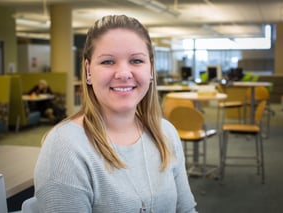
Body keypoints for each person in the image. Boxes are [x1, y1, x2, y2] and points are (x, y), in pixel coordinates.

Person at [34, 15, 198, 213]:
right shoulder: (65, 148)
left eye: (136, 60)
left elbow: (186, 210)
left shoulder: (166, 133)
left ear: (151, 69)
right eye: (108, 62)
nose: (123, 73)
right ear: (88, 71)